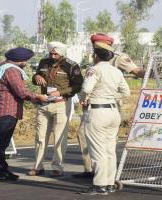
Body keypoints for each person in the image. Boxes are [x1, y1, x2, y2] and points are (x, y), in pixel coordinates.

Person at [72, 33, 144, 179]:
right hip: (96, 106)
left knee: (102, 145)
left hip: (104, 106)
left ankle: (100, 179)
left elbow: (137, 71)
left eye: (95, 45)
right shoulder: (100, 59)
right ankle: (92, 171)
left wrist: (151, 72)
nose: (94, 49)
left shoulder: (119, 57)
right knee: (86, 137)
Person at [0, 47, 47, 182]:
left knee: (0, 142)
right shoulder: (12, 70)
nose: (26, 63)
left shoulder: (0, 67)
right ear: (20, 60)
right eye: (25, 60)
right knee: (1, 143)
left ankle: (2, 169)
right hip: (8, 110)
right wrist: (38, 96)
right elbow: (21, 92)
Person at [79, 42, 130, 195]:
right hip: (113, 111)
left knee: (98, 151)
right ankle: (109, 183)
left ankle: (100, 185)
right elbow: (126, 92)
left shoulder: (94, 70)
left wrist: (83, 98)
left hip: (97, 111)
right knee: (109, 150)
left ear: (96, 55)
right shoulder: (116, 71)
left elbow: (86, 89)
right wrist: (112, 97)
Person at [28, 41, 83, 177]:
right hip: (44, 103)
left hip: (61, 104)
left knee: (59, 137)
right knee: (40, 137)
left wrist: (61, 92)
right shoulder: (43, 62)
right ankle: (38, 166)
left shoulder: (71, 65)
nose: (52, 55)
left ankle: (57, 166)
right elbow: (35, 78)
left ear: (62, 53)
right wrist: (37, 77)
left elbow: (77, 86)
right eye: (51, 53)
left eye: (55, 53)